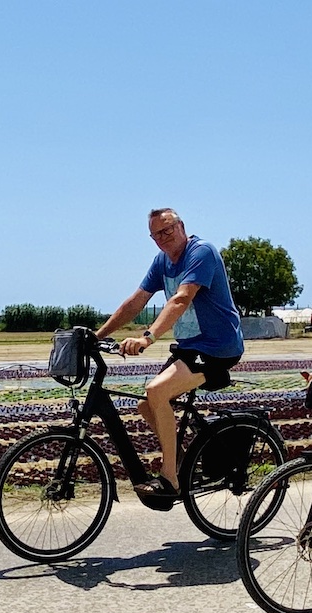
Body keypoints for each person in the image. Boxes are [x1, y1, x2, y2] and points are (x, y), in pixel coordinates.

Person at [97, 208, 244, 499]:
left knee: (156, 391)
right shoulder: (162, 261)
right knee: (146, 405)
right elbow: (136, 302)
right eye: (156, 235)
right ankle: (180, 460)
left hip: (218, 347)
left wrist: (147, 337)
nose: (163, 238)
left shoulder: (201, 252)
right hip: (191, 347)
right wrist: (98, 335)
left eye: (168, 230)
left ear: (182, 227)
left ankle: (171, 478)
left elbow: (181, 299)